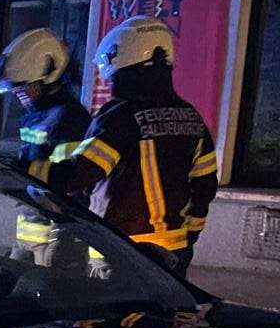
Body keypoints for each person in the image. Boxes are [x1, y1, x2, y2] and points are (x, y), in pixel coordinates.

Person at [48, 16, 218, 275]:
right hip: (175, 253)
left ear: (123, 67)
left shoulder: (119, 116)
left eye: (112, 78)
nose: (110, 85)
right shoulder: (192, 118)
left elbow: (80, 175)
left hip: (122, 250)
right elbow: (205, 186)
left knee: (115, 304)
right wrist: (189, 236)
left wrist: (33, 170)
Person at [0, 28, 92, 265]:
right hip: (30, 231)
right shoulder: (34, 114)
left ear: (49, 74)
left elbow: (73, 178)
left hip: (58, 236)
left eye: (23, 87)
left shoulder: (70, 118)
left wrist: (18, 170)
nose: (19, 95)